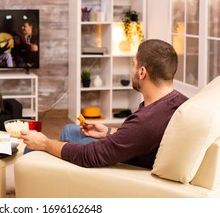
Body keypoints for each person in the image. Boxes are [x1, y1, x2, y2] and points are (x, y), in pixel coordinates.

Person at [21, 39, 189, 169]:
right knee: (70, 130)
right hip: (134, 150)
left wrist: (44, 143)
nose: (132, 69)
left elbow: (89, 156)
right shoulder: (178, 101)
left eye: (133, 64)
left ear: (142, 72)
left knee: (35, 147)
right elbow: (136, 137)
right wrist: (108, 131)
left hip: (119, 165)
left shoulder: (146, 121)